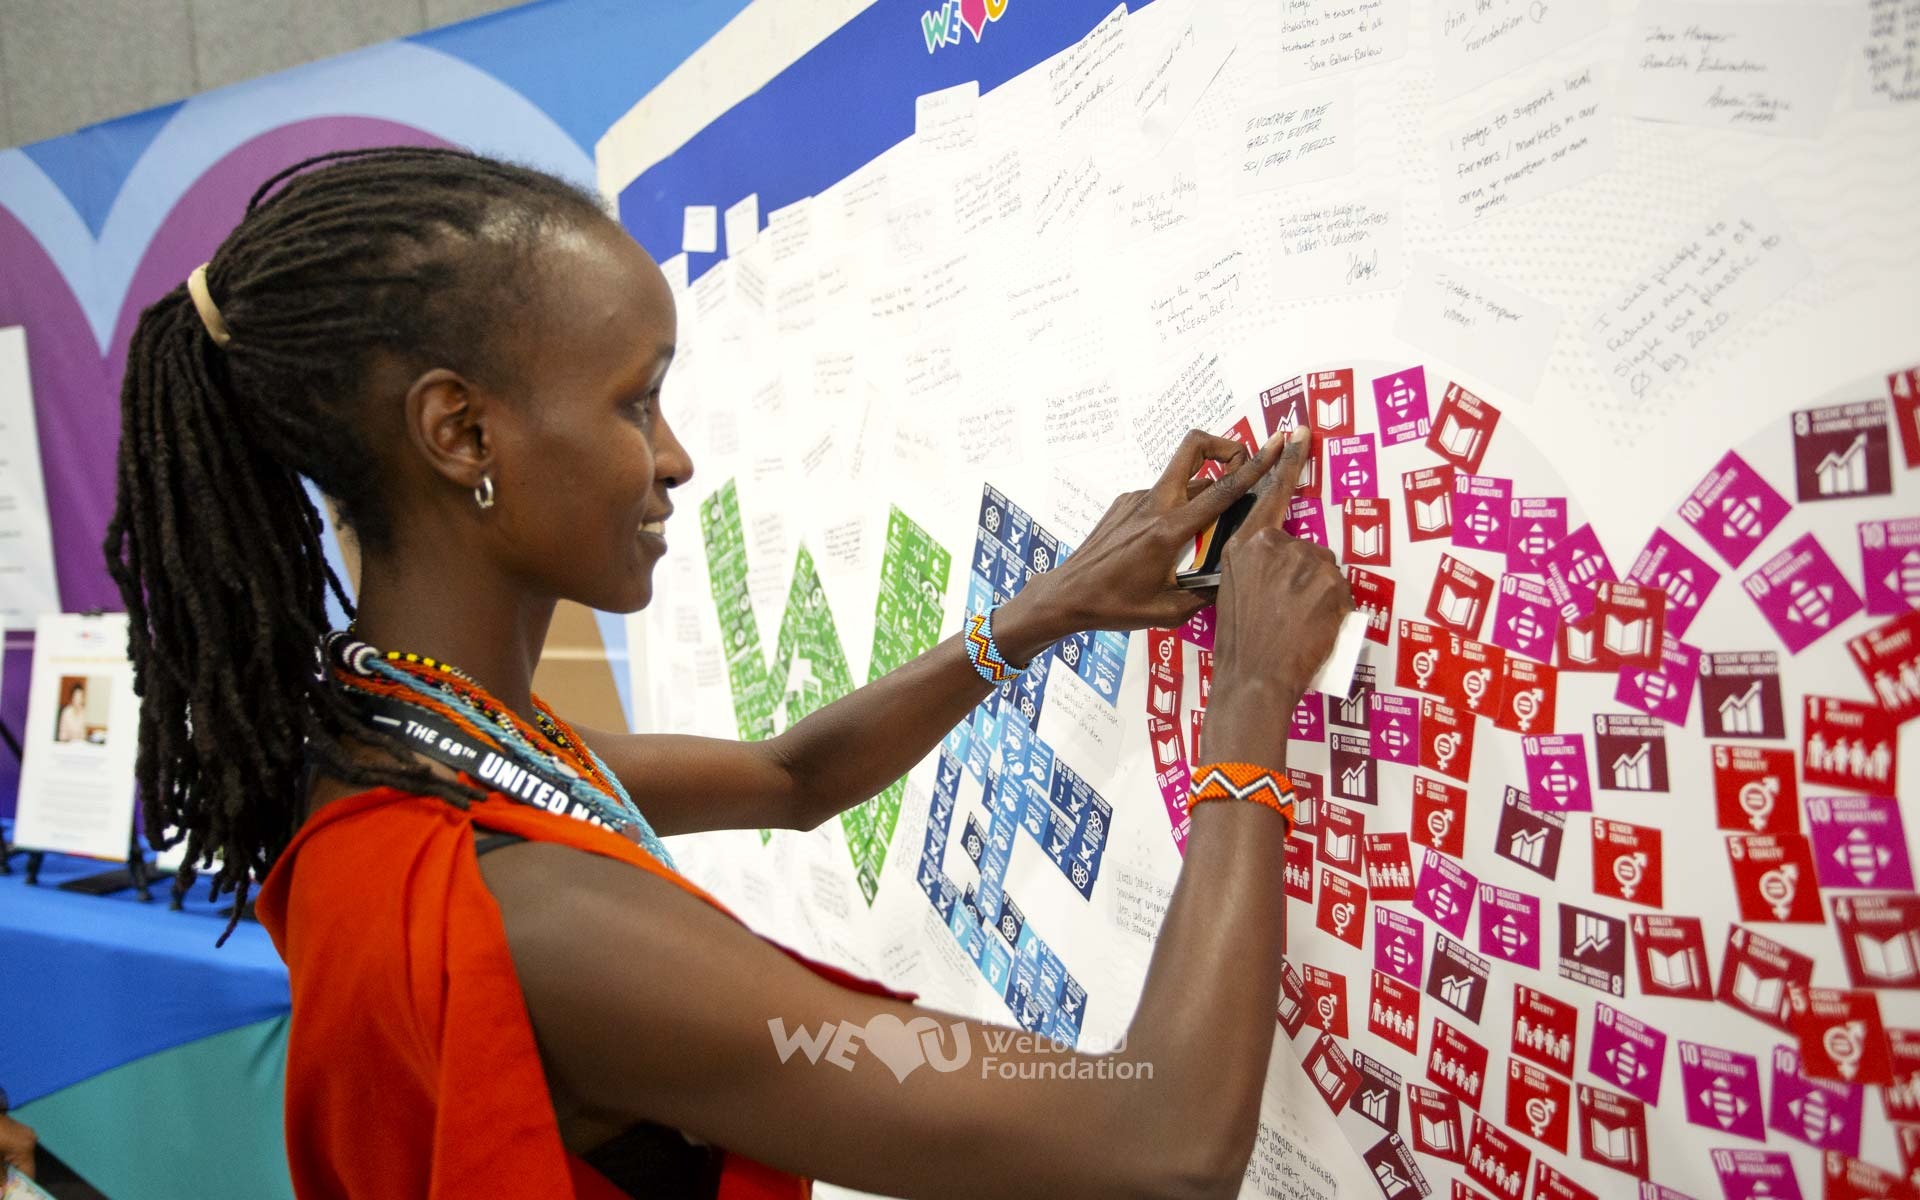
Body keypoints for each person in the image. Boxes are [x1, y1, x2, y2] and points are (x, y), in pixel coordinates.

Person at [106, 147, 1350, 1199]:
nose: (676, 457)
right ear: (463, 433)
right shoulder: (538, 921)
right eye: (634, 403)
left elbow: (790, 776)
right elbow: (1159, 1141)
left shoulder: (400, 738)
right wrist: (1247, 708)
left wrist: (1038, 615)